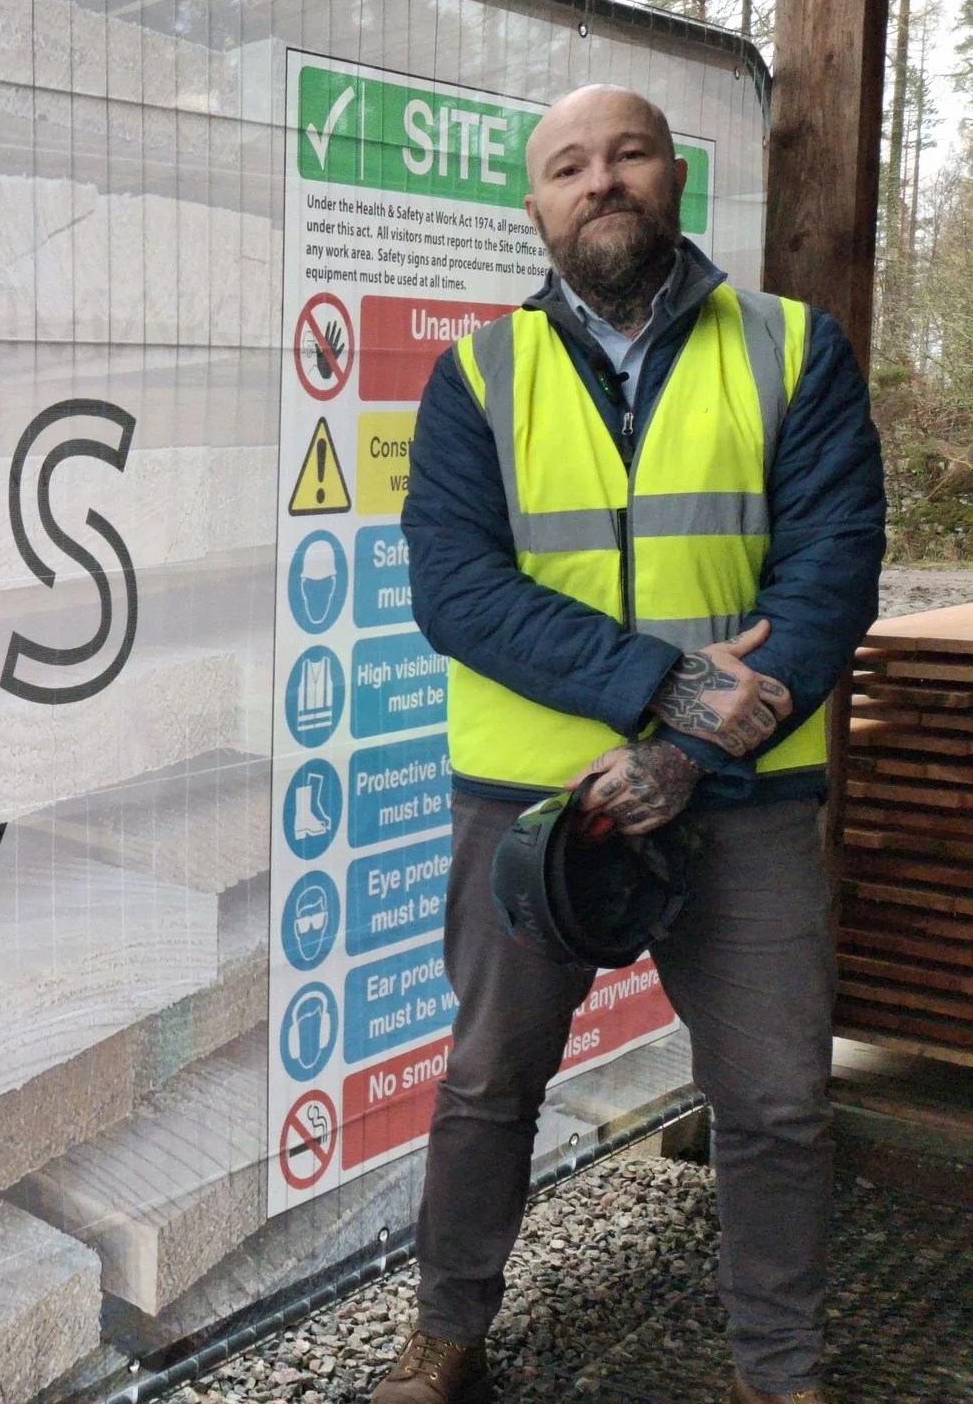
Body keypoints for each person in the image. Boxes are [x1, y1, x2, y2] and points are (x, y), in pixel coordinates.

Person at [379, 84, 886, 1404]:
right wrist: (660, 689)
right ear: (535, 207)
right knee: (489, 1080)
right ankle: (447, 1338)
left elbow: (832, 576)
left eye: (628, 154)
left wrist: (692, 759)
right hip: (534, 805)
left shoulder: (792, 350)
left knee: (775, 1101)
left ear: (674, 178)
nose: (599, 180)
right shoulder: (479, 376)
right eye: (567, 167)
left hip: (748, 800)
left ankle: (776, 1371)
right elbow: (457, 588)